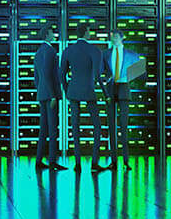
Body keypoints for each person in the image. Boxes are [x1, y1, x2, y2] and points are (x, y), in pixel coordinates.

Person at [59, 38, 109, 169]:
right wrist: (106, 94)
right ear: (86, 32)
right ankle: (94, 163)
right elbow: (98, 75)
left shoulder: (68, 50)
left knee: (75, 127)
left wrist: (67, 91)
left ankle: (77, 164)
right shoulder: (94, 50)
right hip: (89, 91)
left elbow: (61, 75)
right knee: (97, 126)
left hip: (73, 92)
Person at [100, 33, 147, 171]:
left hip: (124, 89)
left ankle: (126, 161)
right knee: (111, 126)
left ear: (122, 38)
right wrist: (106, 78)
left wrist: (128, 76)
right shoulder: (105, 54)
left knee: (124, 126)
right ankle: (114, 161)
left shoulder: (131, 54)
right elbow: (100, 71)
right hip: (110, 90)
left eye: (115, 37)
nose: (113, 39)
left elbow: (143, 73)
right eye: (111, 37)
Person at [33, 35, 64, 171]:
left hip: (42, 94)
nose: (54, 35)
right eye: (52, 33)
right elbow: (47, 74)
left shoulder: (38, 52)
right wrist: (52, 95)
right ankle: (52, 161)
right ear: (47, 35)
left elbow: (36, 77)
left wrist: (40, 92)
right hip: (51, 95)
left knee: (43, 129)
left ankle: (39, 160)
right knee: (52, 129)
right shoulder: (50, 51)